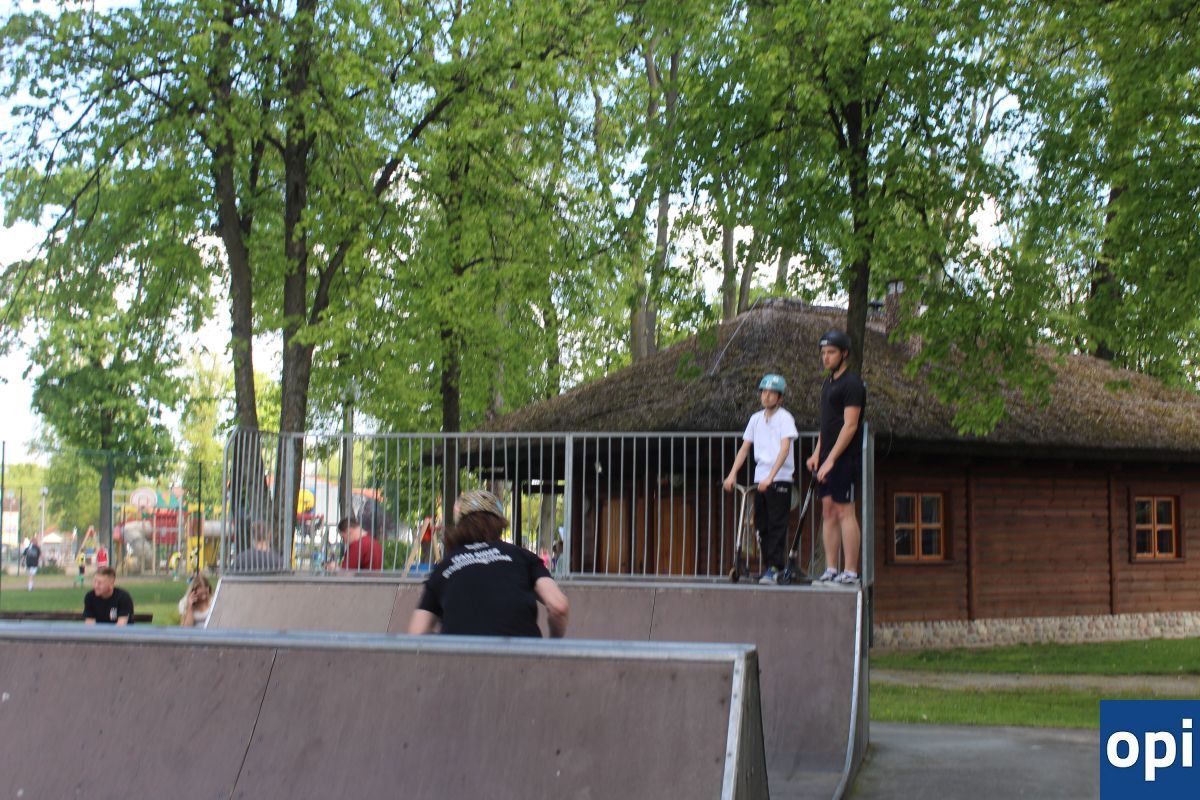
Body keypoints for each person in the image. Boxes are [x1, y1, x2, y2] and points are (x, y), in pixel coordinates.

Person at [409, 490, 569, 638]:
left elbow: (416, 633)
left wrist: (447, 639)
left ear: (459, 525)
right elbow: (558, 606)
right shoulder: (523, 556)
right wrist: (552, 646)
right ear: (499, 524)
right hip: (523, 654)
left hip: (461, 656)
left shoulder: (443, 568)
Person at [723, 373, 799, 585]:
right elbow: (745, 448)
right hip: (761, 478)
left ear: (780, 398)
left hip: (779, 478)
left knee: (776, 524)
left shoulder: (785, 418)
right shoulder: (755, 419)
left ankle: (775, 567)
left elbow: (784, 449)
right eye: (764, 392)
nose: (766, 396)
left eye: (772, 393)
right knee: (761, 525)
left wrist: (771, 477)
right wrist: (732, 474)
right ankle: (769, 567)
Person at [806, 329, 867, 585]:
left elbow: (850, 425)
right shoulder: (827, 384)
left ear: (844, 354)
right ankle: (831, 568)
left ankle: (850, 571)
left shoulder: (852, 384)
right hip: (827, 457)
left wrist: (831, 459)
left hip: (845, 458)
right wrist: (818, 453)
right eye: (823, 353)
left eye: (831, 352)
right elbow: (827, 424)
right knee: (828, 511)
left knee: (844, 511)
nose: (826, 357)